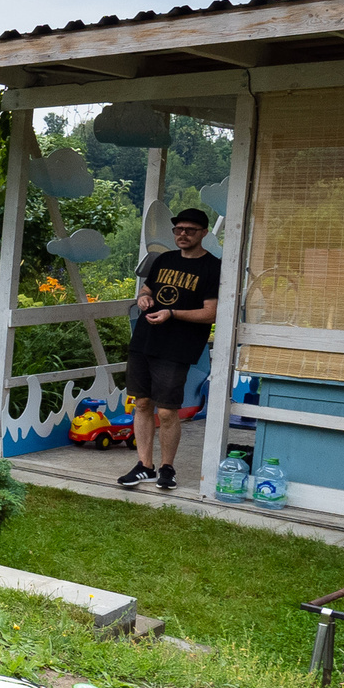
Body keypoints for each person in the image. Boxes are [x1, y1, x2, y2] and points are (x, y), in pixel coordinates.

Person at [116, 207, 221, 492]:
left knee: (166, 411)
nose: (183, 234)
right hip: (144, 341)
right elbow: (147, 289)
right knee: (141, 404)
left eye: (189, 230)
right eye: (178, 230)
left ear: (203, 233)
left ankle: (167, 468)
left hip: (177, 347)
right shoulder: (164, 259)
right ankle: (144, 466)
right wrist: (143, 298)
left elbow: (211, 313)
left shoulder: (212, 267)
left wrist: (172, 314)